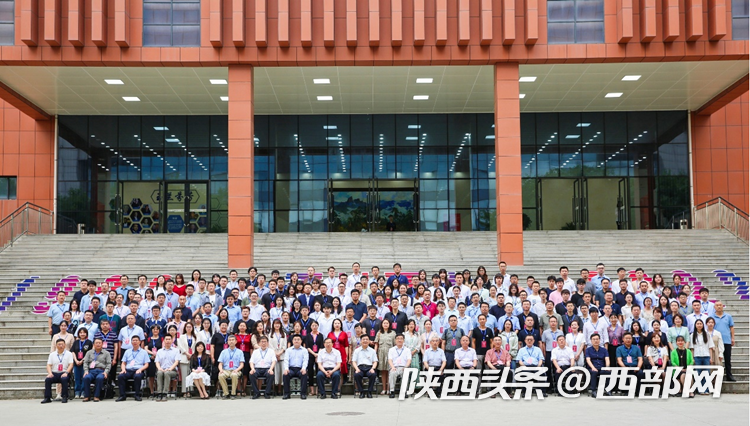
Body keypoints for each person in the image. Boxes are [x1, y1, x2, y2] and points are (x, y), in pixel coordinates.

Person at [117, 335, 149, 401]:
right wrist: (123, 369)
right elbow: (123, 363)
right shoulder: (127, 351)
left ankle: (137, 395)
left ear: (140, 342)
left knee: (137, 376)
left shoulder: (144, 352)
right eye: (133, 340)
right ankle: (122, 395)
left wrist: (140, 369)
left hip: (138, 370)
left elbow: (146, 364)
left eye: (136, 340)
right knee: (120, 376)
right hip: (128, 370)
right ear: (131, 342)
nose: (135, 342)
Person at [42, 339, 74, 404]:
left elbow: (71, 364)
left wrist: (66, 372)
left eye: (62, 344)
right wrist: (50, 373)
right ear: (56, 345)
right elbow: (48, 365)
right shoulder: (52, 354)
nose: (61, 346)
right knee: (48, 379)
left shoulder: (69, 354)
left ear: (65, 345)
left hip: (64, 372)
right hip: (54, 372)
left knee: (64, 379)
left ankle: (64, 396)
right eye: (59, 344)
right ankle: (47, 397)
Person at [81, 337, 112, 402]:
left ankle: (96, 396)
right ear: (94, 344)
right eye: (96, 343)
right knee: (86, 378)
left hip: (101, 370)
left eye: (99, 343)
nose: (98, 344)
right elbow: (85, 362)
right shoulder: (89, 352)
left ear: (102, 344)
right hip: (91, 371)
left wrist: (106, 372)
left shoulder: (106, 353)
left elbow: (109, 364)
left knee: (99, 378)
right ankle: (87, 396)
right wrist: (86, 371)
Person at [711, 301, 735, 381]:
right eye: (717, 305)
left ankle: (729, 375)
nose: (719, 307)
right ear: (714, 307)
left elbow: (731, 327)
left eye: (720, 305)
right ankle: (716, 376)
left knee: (727, 359)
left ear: (722, 306)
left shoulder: (728, 316)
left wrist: (732, 338)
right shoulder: (711, 316)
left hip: (726, 340)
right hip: (716, 342)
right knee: (716, 359)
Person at [154, 334, 180, 402]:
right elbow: (157, 362)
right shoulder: (159, 351)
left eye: (169, 339)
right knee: (159, 373)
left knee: (167, 373)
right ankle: (159, 393)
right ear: (164, 341)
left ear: (172, 341)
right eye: (166, 339)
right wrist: (159, 368)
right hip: (162, 369)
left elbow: (176, 362)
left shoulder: (176, 350)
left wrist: (170, 369)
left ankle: (165, 393)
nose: (168, 341)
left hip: (172, 370)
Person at [217, 334, 244, 399]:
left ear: (236, 341)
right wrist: (221, 370)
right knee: (220, 375)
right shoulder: (223, 352)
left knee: (234, 375)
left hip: (236, 370)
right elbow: (220, 364)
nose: (231, 341)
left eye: (233, 340)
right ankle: (226, 393)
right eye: (230, 340)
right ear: (227, 342)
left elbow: (242, 364)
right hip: (226, 370)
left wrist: (237, 370)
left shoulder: (240, 352)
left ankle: (233, 393)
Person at [282, 334, 309, 399]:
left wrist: (304, 368)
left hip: (300, 369)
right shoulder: (288, 350)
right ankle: (286, 394)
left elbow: (305, 360)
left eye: (298, 340)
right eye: (295, 340)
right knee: (285, 375)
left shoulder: (304, 350)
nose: (296, 341)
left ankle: (303, 394)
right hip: (291, 369)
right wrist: (286, 369)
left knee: (304, 374)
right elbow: (286, 360)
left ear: (301, 341)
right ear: (292, 341)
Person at [352, 334, 378, 398]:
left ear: (369, 341)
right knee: (357, 375)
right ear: (361, 341)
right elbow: (354, 361)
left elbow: (375, 361)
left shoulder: (372, 351)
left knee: (373, 374)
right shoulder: (357, 350)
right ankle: (361, 392)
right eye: (363, 339)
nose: (365, 341)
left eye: (367, 339)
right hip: (360, 367)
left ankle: (369, 392)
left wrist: (373, 368)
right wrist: (357, 369)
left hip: (369, 367)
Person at [375, 318, 397, 394]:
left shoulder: (393, 333)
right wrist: (375, 353)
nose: (385, 324)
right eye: (384, 323)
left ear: (389, 324)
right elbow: (376, 344)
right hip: (381, 353)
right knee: (383, 371)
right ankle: (384, 389)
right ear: (382, 324)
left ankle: (389, 389)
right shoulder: (379, 333)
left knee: (389, 371)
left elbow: (395, 345)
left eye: (387, 323)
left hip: (390, 354)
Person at [176, 322, 198, 397]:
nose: (189, 328)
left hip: (193, 357)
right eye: (187, 327)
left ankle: (190, 390)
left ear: (192, 328)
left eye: (190, 327)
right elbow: (180, 347)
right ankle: (184, 391)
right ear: (185, 328)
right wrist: (187, 353)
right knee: (184, 376)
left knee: (191, 375)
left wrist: (192, 355)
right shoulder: (181, 337)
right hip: (184, 357)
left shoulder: (195, 337)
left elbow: (197, 346)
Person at [585, 333, 610, 398]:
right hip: (592, 367)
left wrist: (607, 367)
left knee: (608, 372)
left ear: (599, 340)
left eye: (597, 339)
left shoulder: (604, 350)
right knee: (594, 372)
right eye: (594, 339)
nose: (595, 341)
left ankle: (607, 390)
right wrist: (593, 367)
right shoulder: (588, 350)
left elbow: (607, 359)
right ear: (591, 341)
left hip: (602, 367)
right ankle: (593, 391)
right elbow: (588, 360)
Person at [70, 327, 93, 399]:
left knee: (84, 377)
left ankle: (83, 391)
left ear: (86, 334)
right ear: (78, 334)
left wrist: (82, 360)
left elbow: (90, 353)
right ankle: (77, 392)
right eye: (81, 333)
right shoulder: (76, 342)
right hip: (76, 362)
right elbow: (73, 351)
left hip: (85, 363)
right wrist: (76, 360)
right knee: (77, 378)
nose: (82, 334)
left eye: (84, 332)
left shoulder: (89, 342)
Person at [386, 334, 411, 398]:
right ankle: (392, 391)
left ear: (403, 340)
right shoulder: (391, 350)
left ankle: (404, 391)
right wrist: (392, 367)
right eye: (398, 338)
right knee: (392, 373)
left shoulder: (407, 350)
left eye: (401, 339)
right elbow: (390, 359)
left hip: (403, 367)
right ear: (395, 340)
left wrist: (405, 367)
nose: (399, 340)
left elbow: (409, 360)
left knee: (405, 373)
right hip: (394, 367)